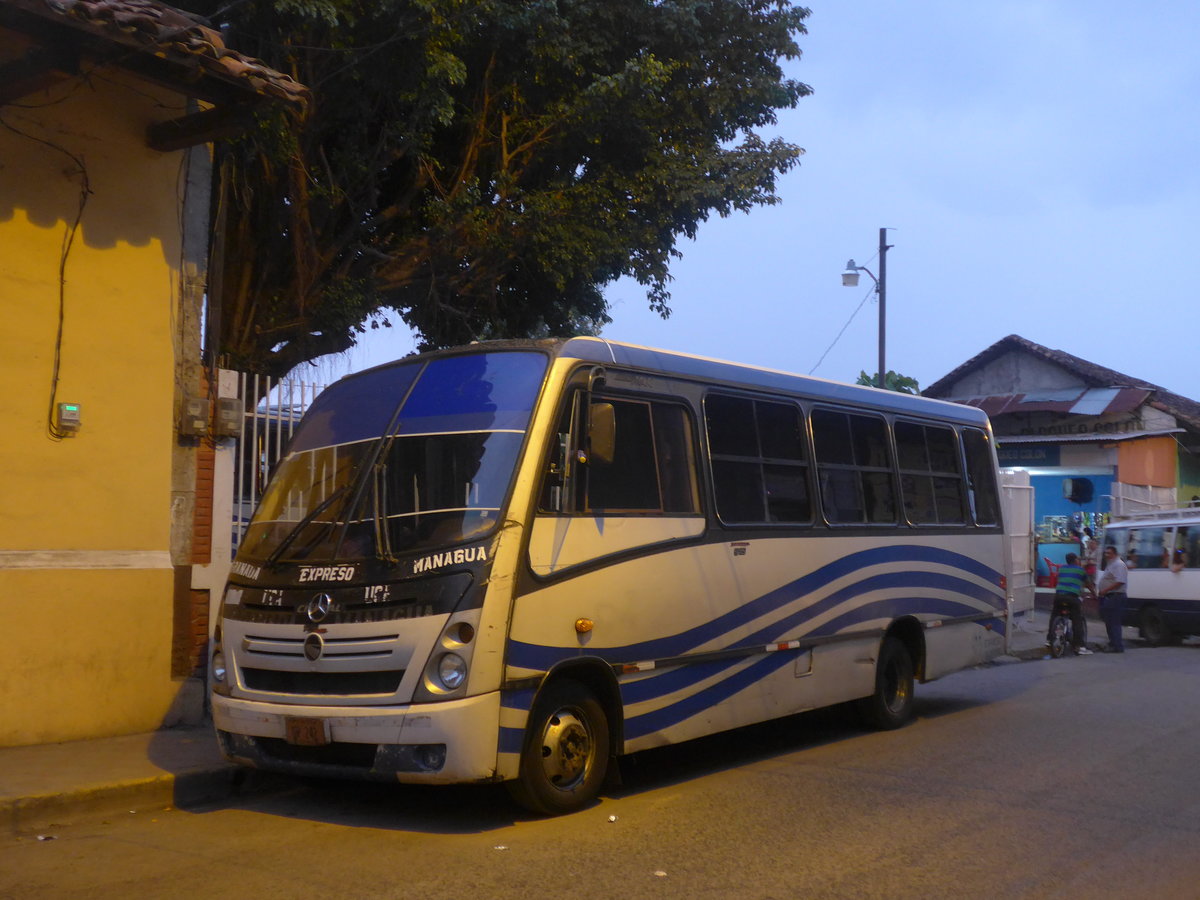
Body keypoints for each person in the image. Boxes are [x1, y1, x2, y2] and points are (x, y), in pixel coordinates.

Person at [1046, 552, 1092, 655]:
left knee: (1054, 616)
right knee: (1077, 620)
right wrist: (1095, 594)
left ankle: (1049, 639)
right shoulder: (1081, 570)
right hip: (1072, 597)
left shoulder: (1062, 569)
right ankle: (1079, 646)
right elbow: (1089, 584)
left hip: (1059, 597)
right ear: (1076, 560)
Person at [1096, 544, 1129, 653]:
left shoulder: (1119, 564)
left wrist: (1106, 590)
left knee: (1114, 621)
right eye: (1105, 553)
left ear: (1114, 554)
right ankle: (1113, 643)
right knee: (1109, 621)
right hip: (1110, 596)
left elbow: (1120, 581)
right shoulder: (1111, 564)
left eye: (1109, 553)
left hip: (1116, 596)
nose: (1106, 555)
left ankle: (1117, 646)